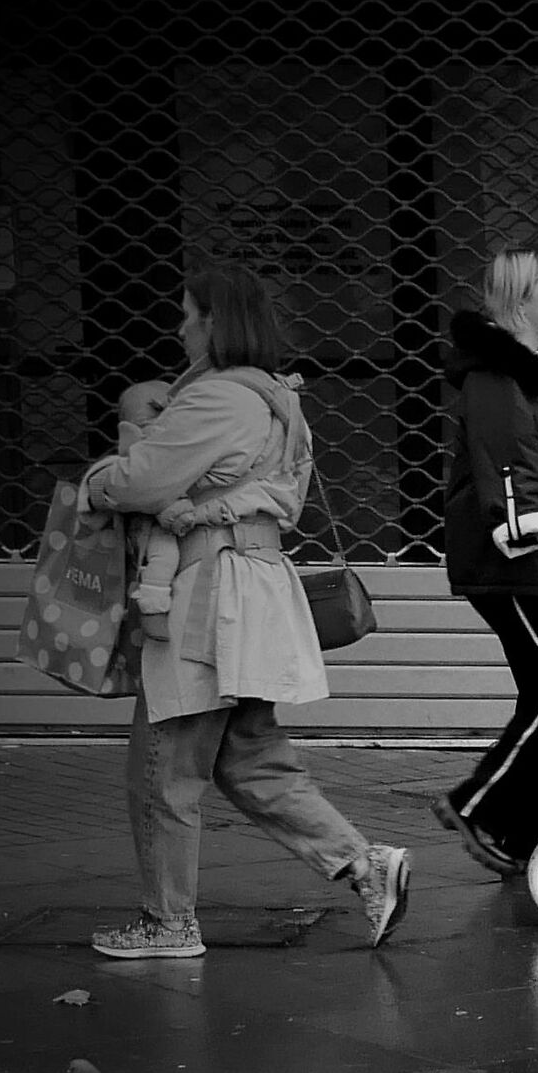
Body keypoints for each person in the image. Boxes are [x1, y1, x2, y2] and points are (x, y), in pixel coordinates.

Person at [79, 264, 409, 959]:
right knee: (250, 754)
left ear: (215, 323)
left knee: (163, 766)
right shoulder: (282, 401)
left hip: (206, 596)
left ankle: (168, 923)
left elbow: (140, 480)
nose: (179, 328)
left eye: (188, 314)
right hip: (257, 590)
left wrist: (97, 480)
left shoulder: (217, 399)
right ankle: (363, 863)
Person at [433, 249, 538, 876]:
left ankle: (534, 839)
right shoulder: (495, 375)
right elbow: (509, 464)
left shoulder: (536, 375)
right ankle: (480, 807)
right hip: (513, 563)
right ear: (518, 303)